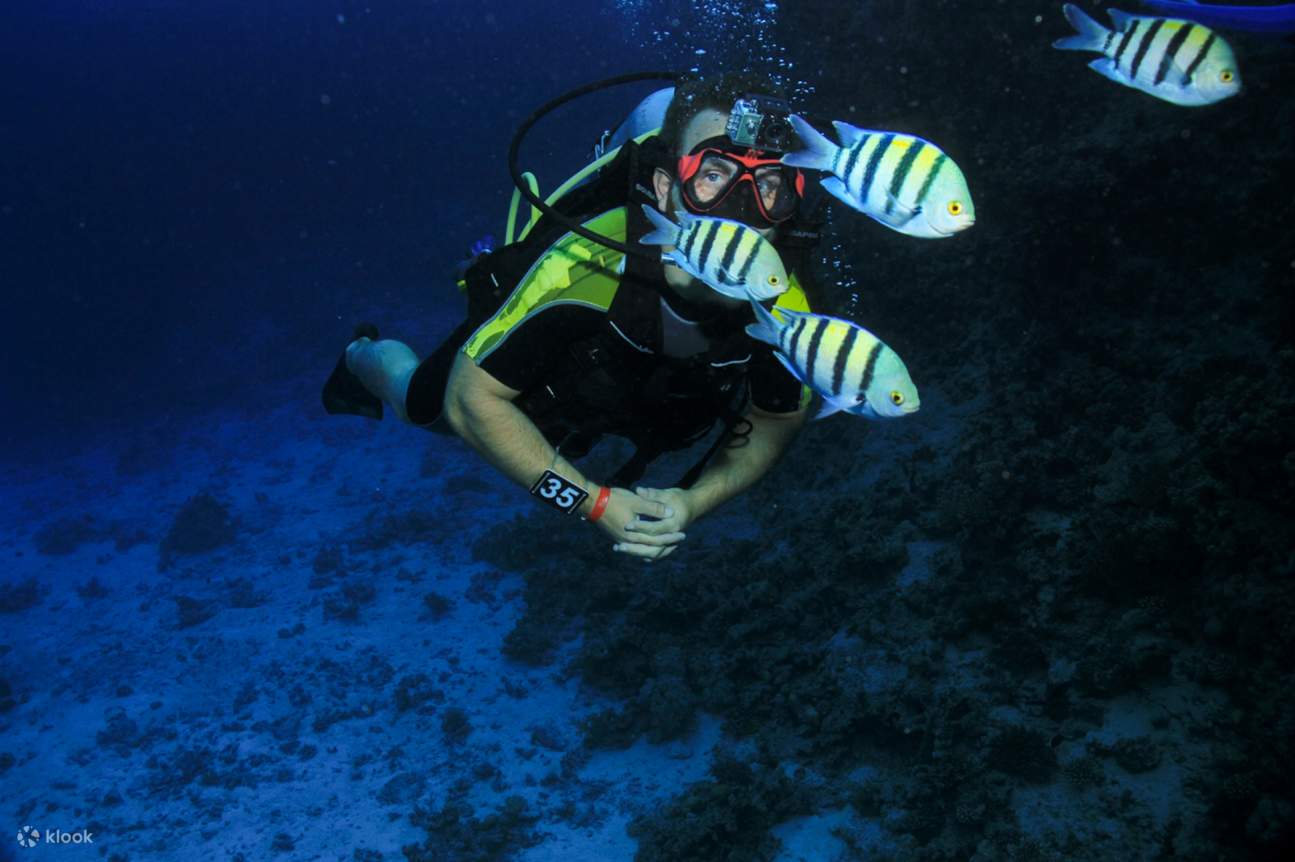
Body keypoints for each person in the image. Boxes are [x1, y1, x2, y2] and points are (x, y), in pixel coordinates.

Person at [322, 73, 825, 561]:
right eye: (713, 175)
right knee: (421, 406)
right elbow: (471, 400)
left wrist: (694, 501)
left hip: (654, 401)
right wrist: (594, 502)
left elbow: (777, 417)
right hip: (551, 381)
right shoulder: (584, 263)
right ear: (667, 188)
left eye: (770, 184)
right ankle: (361, 354)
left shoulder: (785, 304)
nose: (742, 209)